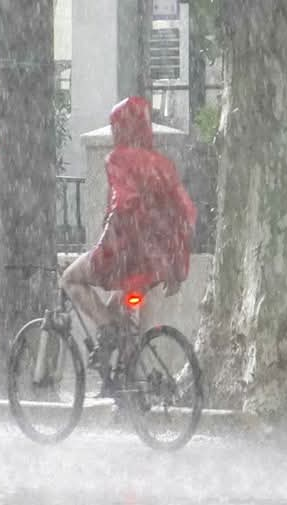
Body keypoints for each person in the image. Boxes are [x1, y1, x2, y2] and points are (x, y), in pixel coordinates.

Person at [60, 96, 196, 390]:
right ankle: (128, 387)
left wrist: (104, 250)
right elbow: (184, 213)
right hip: (154, 263)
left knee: (70, 279)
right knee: (124, 315)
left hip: (123, 253)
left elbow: (121, 208)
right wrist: (175, 265)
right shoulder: (164, 165)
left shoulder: (118, 159)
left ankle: (106, 328)